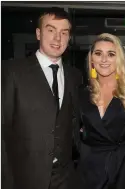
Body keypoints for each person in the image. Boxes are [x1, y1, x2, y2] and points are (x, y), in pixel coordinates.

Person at [2, 7, 82, 189]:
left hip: (67, 177)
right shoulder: (12, 72)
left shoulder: (75, 76)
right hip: (24, 177)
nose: (57, 38)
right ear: (38, 33)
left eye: (64, 32)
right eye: (51, 30)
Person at [76, 33, 125, 189]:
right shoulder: (82, 93)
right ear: (92, 60)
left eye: (111, 54)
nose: (104, 59)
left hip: (123, 172)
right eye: (98, 53)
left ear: (119, 59)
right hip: (89, 173)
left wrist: (119, 168)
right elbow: (75, 133)